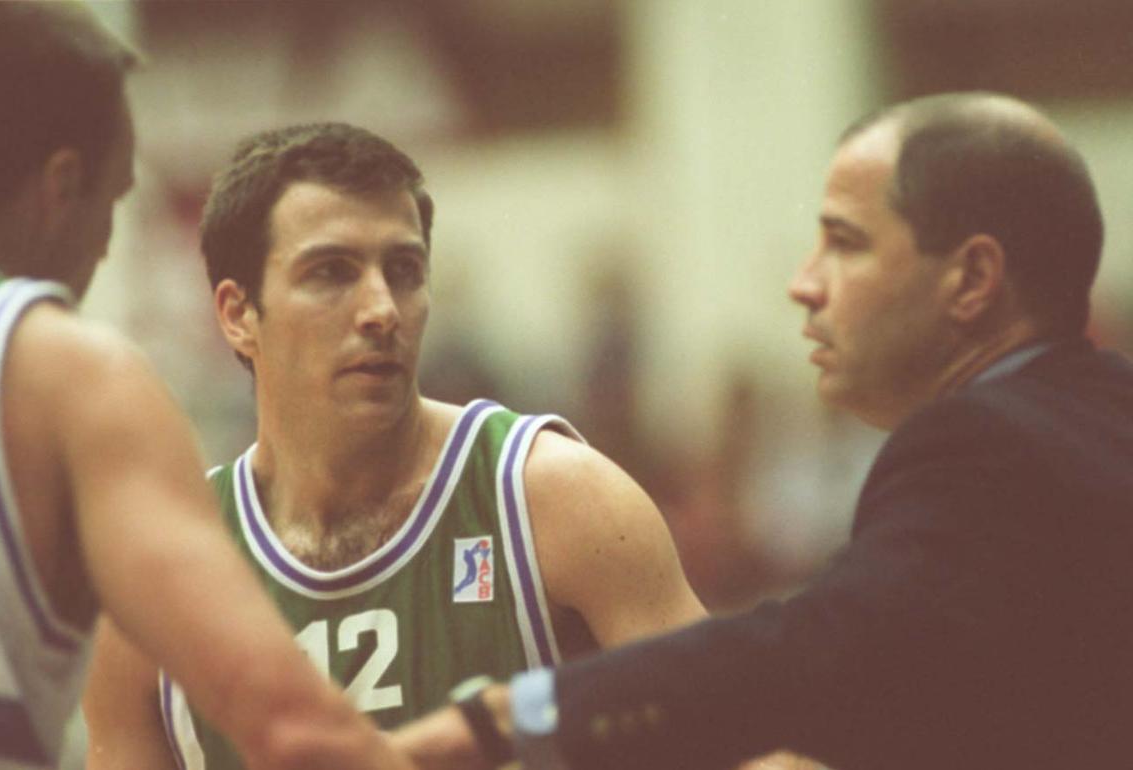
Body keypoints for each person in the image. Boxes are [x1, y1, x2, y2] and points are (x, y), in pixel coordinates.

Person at [390, 91, 1133, 770]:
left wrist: (496, 720)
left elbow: (818, 649)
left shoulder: (979, 443)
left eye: (845, 243)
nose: (804, 283)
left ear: (973, 279)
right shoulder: (1099, 414)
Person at [80, 121, 706, 769]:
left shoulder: (554, 497)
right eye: (331, 272)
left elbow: (751, 739)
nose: (382, 309)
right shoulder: (150, 588)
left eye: (403, 270)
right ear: (239, 315)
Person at [0, 5, 413, 769]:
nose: (104, 242)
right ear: (63, 186)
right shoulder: (60, 373)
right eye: (115, 198)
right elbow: (294, 728)